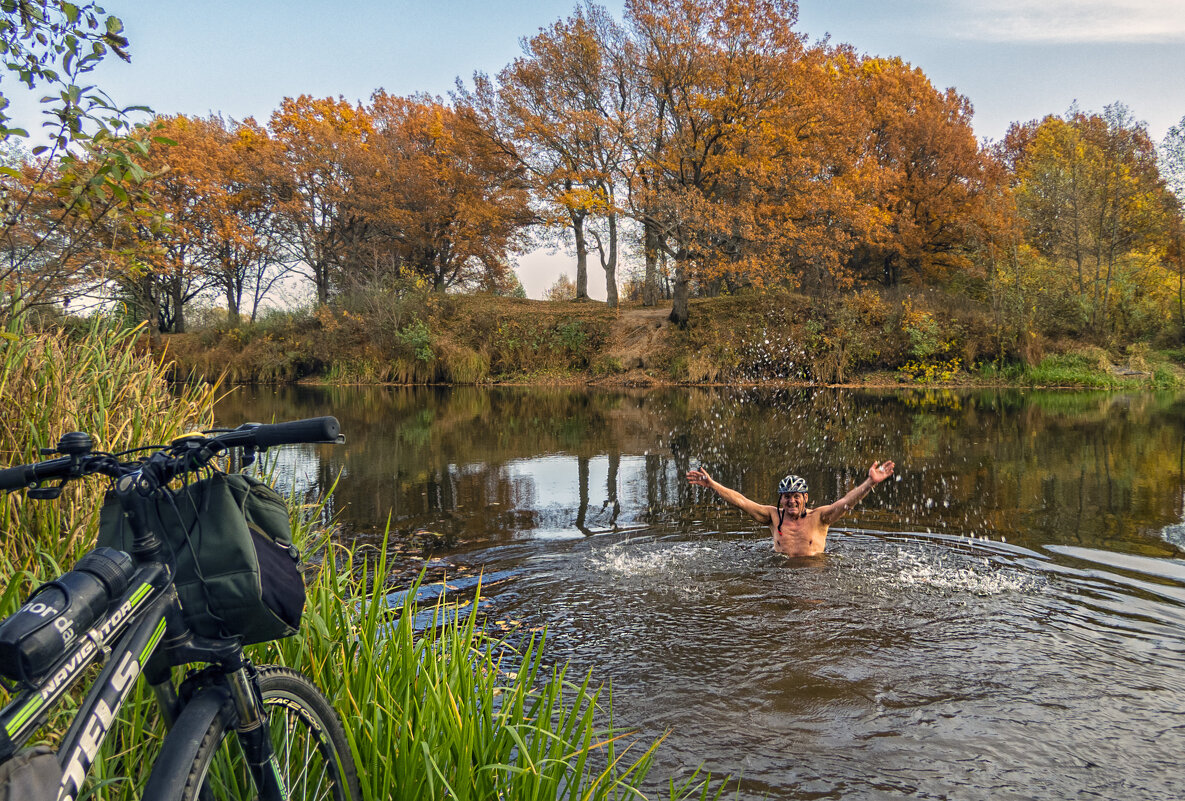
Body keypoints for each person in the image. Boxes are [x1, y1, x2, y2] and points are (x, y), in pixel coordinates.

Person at [686, 461, 896, 557]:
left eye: (796, 496)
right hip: (781, 575)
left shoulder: (820, 517)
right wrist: (713, 485)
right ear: (781, 499)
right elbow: (741, 501)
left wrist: (870, 483)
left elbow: (846, 502)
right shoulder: (772, 516)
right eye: (787, 497)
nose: (791, 501)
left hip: (814, 576)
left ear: (805, 497)